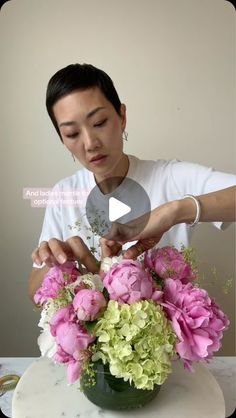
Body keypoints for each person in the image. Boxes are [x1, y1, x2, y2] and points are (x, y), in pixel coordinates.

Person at [28, 63, 236, 300]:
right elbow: (34, 293)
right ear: (63, 141)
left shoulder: (171, 177)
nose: (90, 143)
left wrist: (175, 211)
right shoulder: (64, 193)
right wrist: (58, 263)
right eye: (72, 134)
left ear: (122, 116)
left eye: (99, 123)